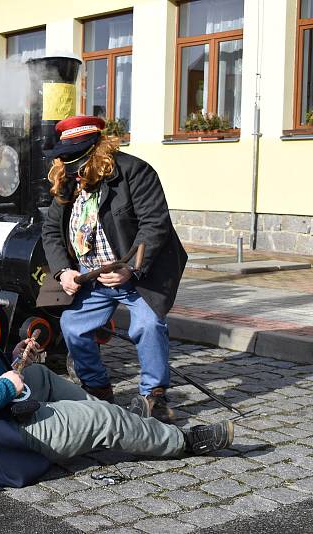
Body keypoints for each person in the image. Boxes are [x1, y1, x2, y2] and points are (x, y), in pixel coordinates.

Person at [0, 260, 234, 489]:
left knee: (42, 377)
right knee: (103, 423)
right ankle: (183, 442)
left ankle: (120, 420)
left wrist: (11, 360)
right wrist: (3, 388)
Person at [41, 116, 188, 423]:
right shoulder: (68, 180)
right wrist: (62, 272)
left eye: (76, 159)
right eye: (66, 160)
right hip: (92, 274)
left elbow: (155, 224)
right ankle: (97, 390)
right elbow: (51, 232)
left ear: (97, 150)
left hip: (137, 274)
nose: (73, 170)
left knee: (147, 326)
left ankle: (154, 397)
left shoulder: (135, 172)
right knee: (73, 326)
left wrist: (131, 269)